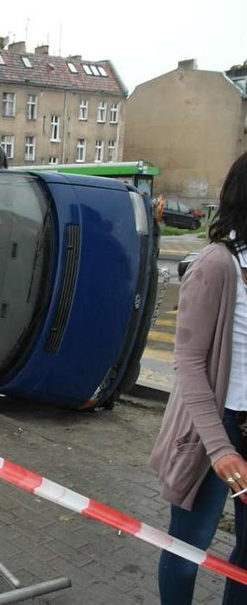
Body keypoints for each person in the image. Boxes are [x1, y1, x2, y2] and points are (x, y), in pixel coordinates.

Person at [150, 151, 247, 604]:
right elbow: (188, 363)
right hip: (216, 428)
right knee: (187, 547)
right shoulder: (215, 265)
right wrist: (220, 448)